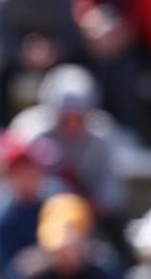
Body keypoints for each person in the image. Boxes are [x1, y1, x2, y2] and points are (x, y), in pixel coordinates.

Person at [9, 65, 128, 221]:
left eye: (79, 117)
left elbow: (111, 186)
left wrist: (89, 204)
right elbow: (15, 183)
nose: (73, 125)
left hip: (90, 215)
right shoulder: (30, 132)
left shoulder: (102, 134)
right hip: (36, 213)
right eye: (66, 118)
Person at [0, 132, 67, 279]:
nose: (30, 176)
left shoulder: (57, 199)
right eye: (23, 170)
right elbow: (11, 272)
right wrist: (49, 257)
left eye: (34, 169)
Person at [12, 193, 123, 279]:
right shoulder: (32, 278)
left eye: (73, 243)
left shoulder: (104, 275)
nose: (67, 252)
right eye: (61, 247)